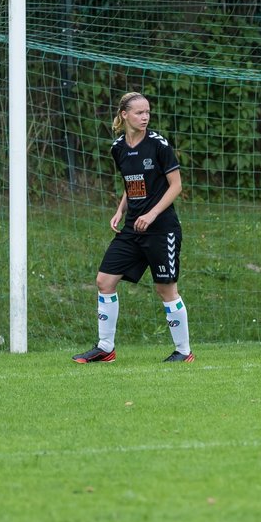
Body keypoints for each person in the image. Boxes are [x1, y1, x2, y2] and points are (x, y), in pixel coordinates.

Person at [73, 92, 194, 364]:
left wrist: (151, 214)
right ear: (124, 115)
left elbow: (176, 186)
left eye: (147, 112)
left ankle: (184, 352)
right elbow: (132, 184)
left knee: (166, 290)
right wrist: (120, 209)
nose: (145, 117)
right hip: (132, 228)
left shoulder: (159, 145)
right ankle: (105, 348)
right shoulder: (118, 147)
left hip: (162, 229)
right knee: (104, 281)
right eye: (139, 113)